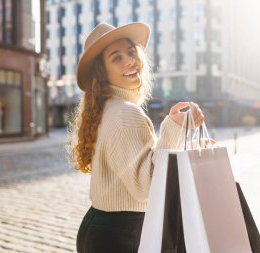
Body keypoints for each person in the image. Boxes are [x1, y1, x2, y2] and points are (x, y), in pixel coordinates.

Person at [69, 22, 205, 253]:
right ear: (102, 73)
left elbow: (133, 164)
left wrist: (187, 143)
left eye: (131, 52)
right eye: (116, 58)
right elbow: (146, 187)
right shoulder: (125, 114)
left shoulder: (109, 108)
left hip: (103, 228)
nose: (130, 60)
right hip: (123, 234)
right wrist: (172, 128)